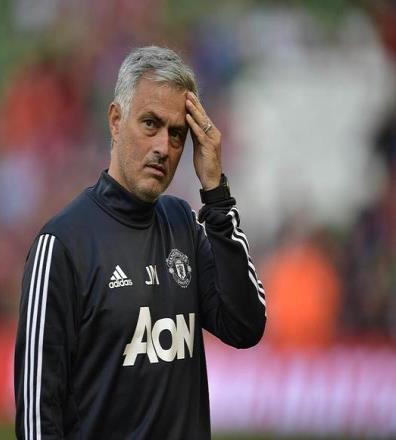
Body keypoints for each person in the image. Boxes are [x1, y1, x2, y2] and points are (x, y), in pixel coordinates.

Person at [14, 46, 266, 440]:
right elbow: (36, 420)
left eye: (177, 134)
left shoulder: (184, 224)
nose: (164, 147)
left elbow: (245, 326)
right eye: (150, 124)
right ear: (115, 121)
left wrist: (216, 195)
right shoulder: (62, 245)